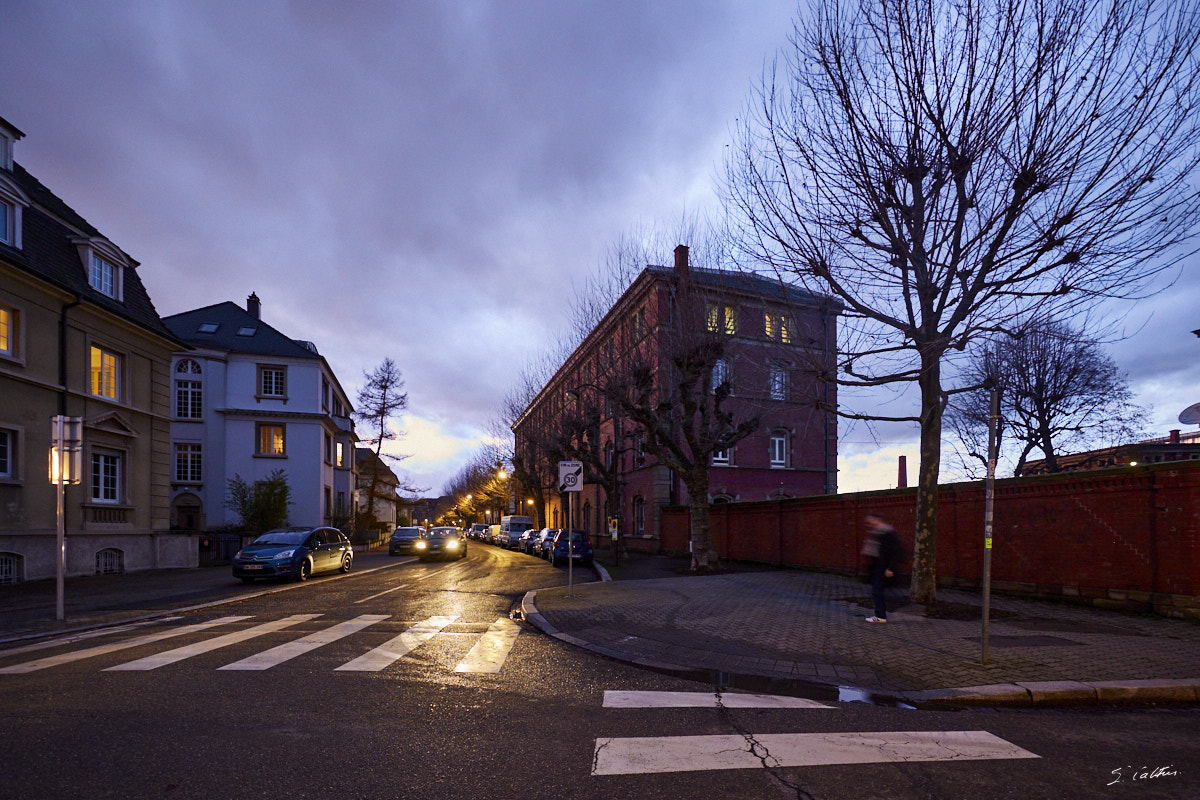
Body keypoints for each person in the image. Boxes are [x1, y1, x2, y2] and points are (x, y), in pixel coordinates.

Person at [862, 513, 902, 623]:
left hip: (883, 567)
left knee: (877, 591)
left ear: (878, 520)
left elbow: (895, 551)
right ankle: (880, 615)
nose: (869, 524)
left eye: (871, 521)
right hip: (878, 566)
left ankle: (880, 616)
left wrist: (890, 568)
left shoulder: (887, 533)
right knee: (878, 590)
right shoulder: (878, 533)